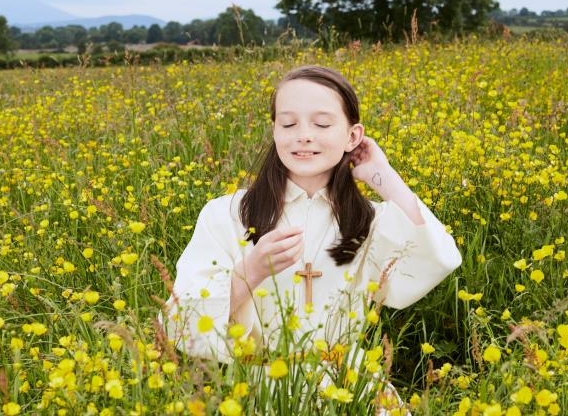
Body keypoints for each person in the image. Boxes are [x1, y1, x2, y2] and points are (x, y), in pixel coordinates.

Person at [159, 65, 462, 407]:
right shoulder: (225, 213)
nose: (303, 135)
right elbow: (178, 322)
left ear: (352, 136)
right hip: (255, 386)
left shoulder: (370, 219)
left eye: (321, 124)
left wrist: (385, 178)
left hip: (349, 383)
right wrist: (250, 272)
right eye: (288, 124)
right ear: (274, 130)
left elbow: (439, 258)